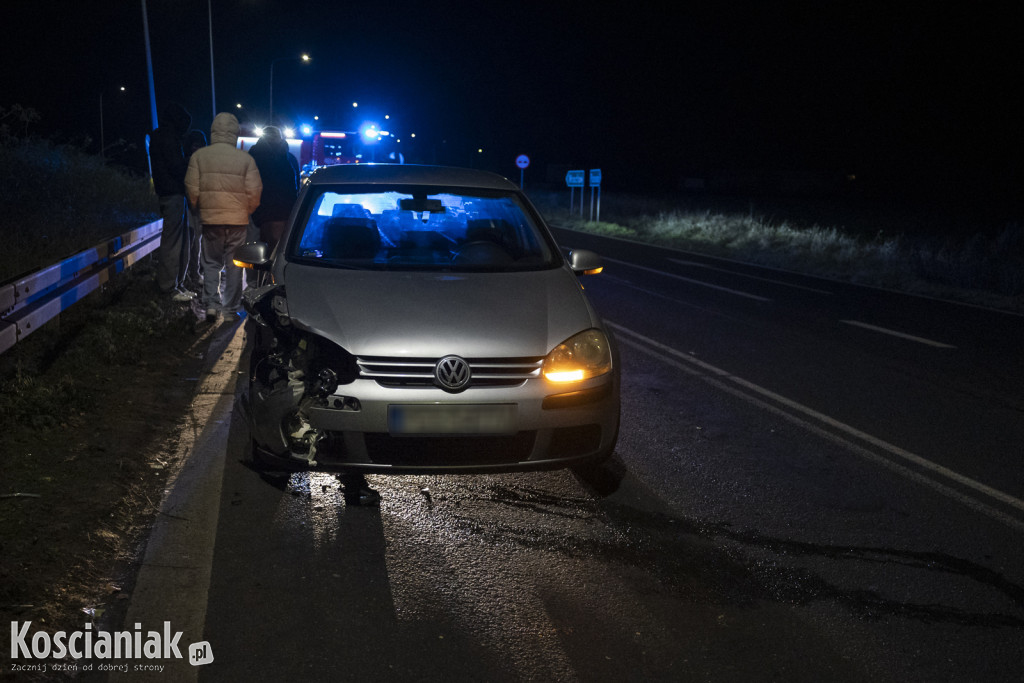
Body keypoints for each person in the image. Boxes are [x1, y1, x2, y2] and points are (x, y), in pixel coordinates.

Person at [184, 112, 262, 322]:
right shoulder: (246, 159)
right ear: (235, 133)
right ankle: (229, 311)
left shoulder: (199, 157)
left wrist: (199, 208)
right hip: (238, 221)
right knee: (234, 265)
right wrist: (246, 211)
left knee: (210, 263)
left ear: (213, 132)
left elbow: (192, 189)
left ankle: (211, 305)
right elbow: (255, 192)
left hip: (211, 221)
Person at [149, 103, 195, 302]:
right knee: (173, 242)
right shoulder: (168, 137)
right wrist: (190, 160)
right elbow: (176, 166)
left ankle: (176, 284)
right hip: (172, 194)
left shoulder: (162, 135)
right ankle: (169, 287)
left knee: (179, 241)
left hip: (172, 194)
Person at [247, 125, 299, 255]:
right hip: (283, 212)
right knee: (277, 252)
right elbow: (295, 187)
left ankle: (254, 275)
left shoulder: (252, 156)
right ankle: (273, 275)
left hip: (256, 210)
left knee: (253, 252)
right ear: (280, 138)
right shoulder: (289, 159)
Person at [183, 129, 208, 293]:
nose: (196, 149)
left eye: (199, 146)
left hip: (199, 209)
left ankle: (194, 273)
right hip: (189, 208)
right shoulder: (187, 163)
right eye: (194, 146)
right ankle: (190, 274)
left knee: (196, 242)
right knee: (190, 242)